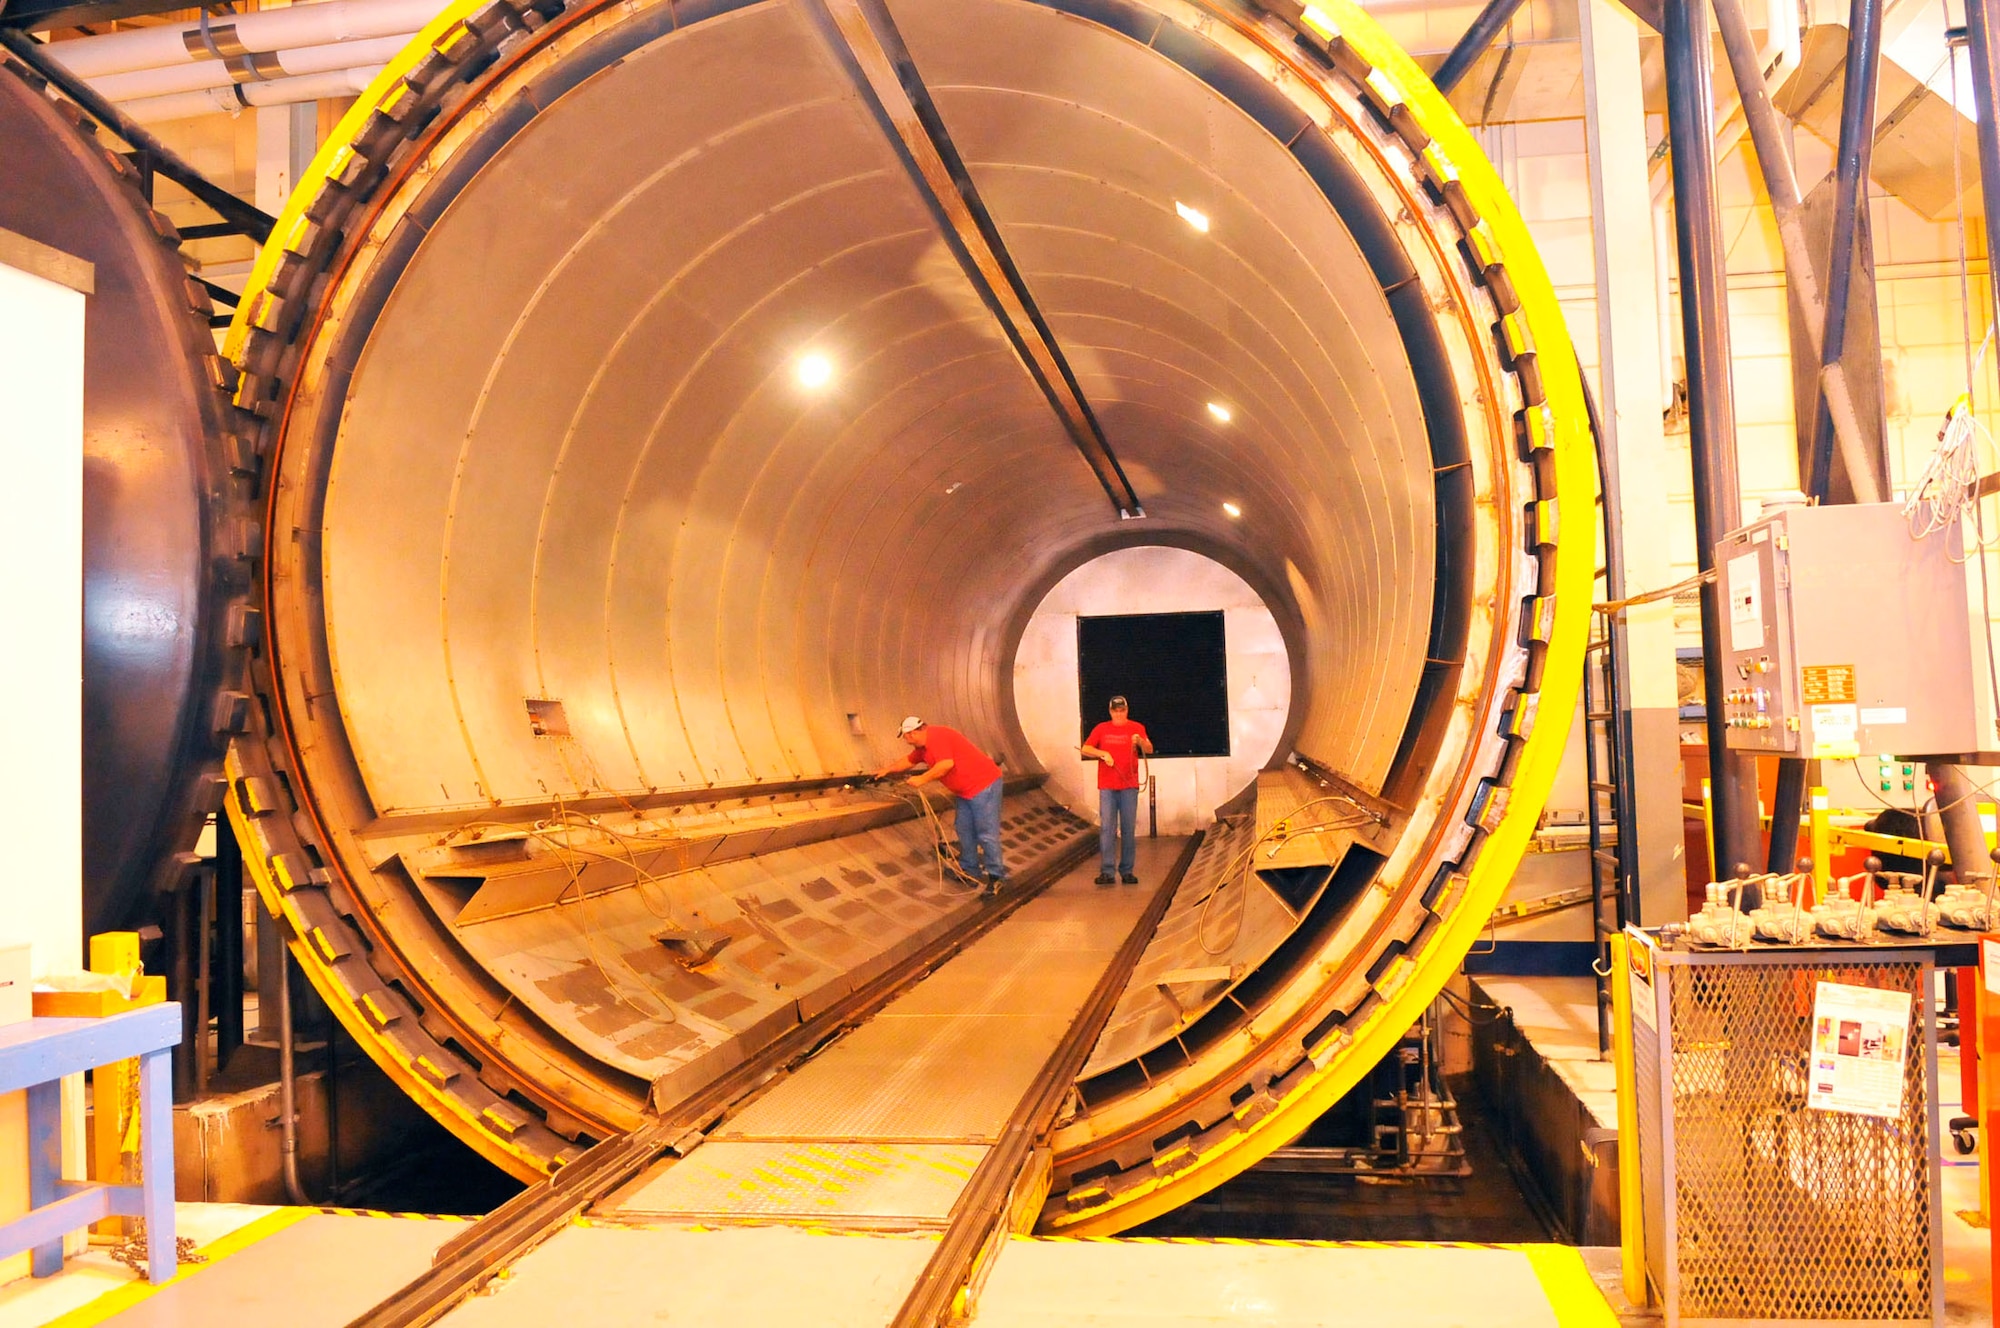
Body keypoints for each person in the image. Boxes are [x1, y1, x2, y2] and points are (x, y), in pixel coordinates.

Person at [876, 717, 1007, 890]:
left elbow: (946, 764)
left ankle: (996, 876)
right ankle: (970, 869)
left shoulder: (938, 736)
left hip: (984, 785)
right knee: (964, 828)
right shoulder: (922, 748)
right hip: (965, 791)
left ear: (912, 733)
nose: (906, 741)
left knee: (986, 833)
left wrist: (922, 779)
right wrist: (887, 770)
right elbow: (908, 761)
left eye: (906, 737)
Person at [1080, 695, 1152, 885]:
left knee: (1128, 828)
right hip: (1108, 786)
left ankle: (1127, 870)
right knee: (1107, 828)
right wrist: (1102, 753)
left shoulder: (1136, 728)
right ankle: (1107, 871)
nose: (1119, 714)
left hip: (1129, 785)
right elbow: (1085, 748)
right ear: (1110, 711)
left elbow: (1150, 748)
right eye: (1115, 711)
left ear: (1126, 710)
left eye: (1122, 710)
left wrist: (1140, 742)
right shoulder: (1102, 729)